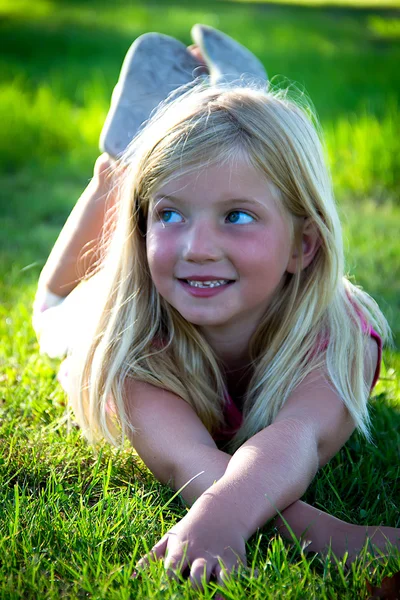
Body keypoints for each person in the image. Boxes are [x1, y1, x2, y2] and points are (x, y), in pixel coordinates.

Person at [32, 26, 399, 590]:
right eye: (170, 216)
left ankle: (220, 112)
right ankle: (120, 164)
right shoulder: (132, 339)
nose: (197, 248)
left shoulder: (342, 333)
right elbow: (189, 459)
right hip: (87, 307)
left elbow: (299, 434)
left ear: (303, 245)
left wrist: (231, 515)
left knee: (218, 163)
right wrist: (323, 533)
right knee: (51, 312)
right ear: (143, 230)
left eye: (238, 216)